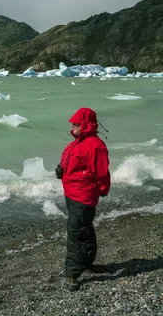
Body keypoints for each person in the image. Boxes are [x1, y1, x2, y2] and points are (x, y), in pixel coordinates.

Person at [57, 107, 110, 291]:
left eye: (76, 124)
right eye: (72, 124)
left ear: (86, 124)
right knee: (84, 228)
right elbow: (71, 160)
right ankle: (87, 261)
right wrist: (61, 170)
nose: (72, 126)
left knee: (76, 232)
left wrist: (103, 190)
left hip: (83, 196)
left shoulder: (95, 145)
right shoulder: (77, 142)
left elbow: (102, 172)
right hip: (71, 193)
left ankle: (72, 273)